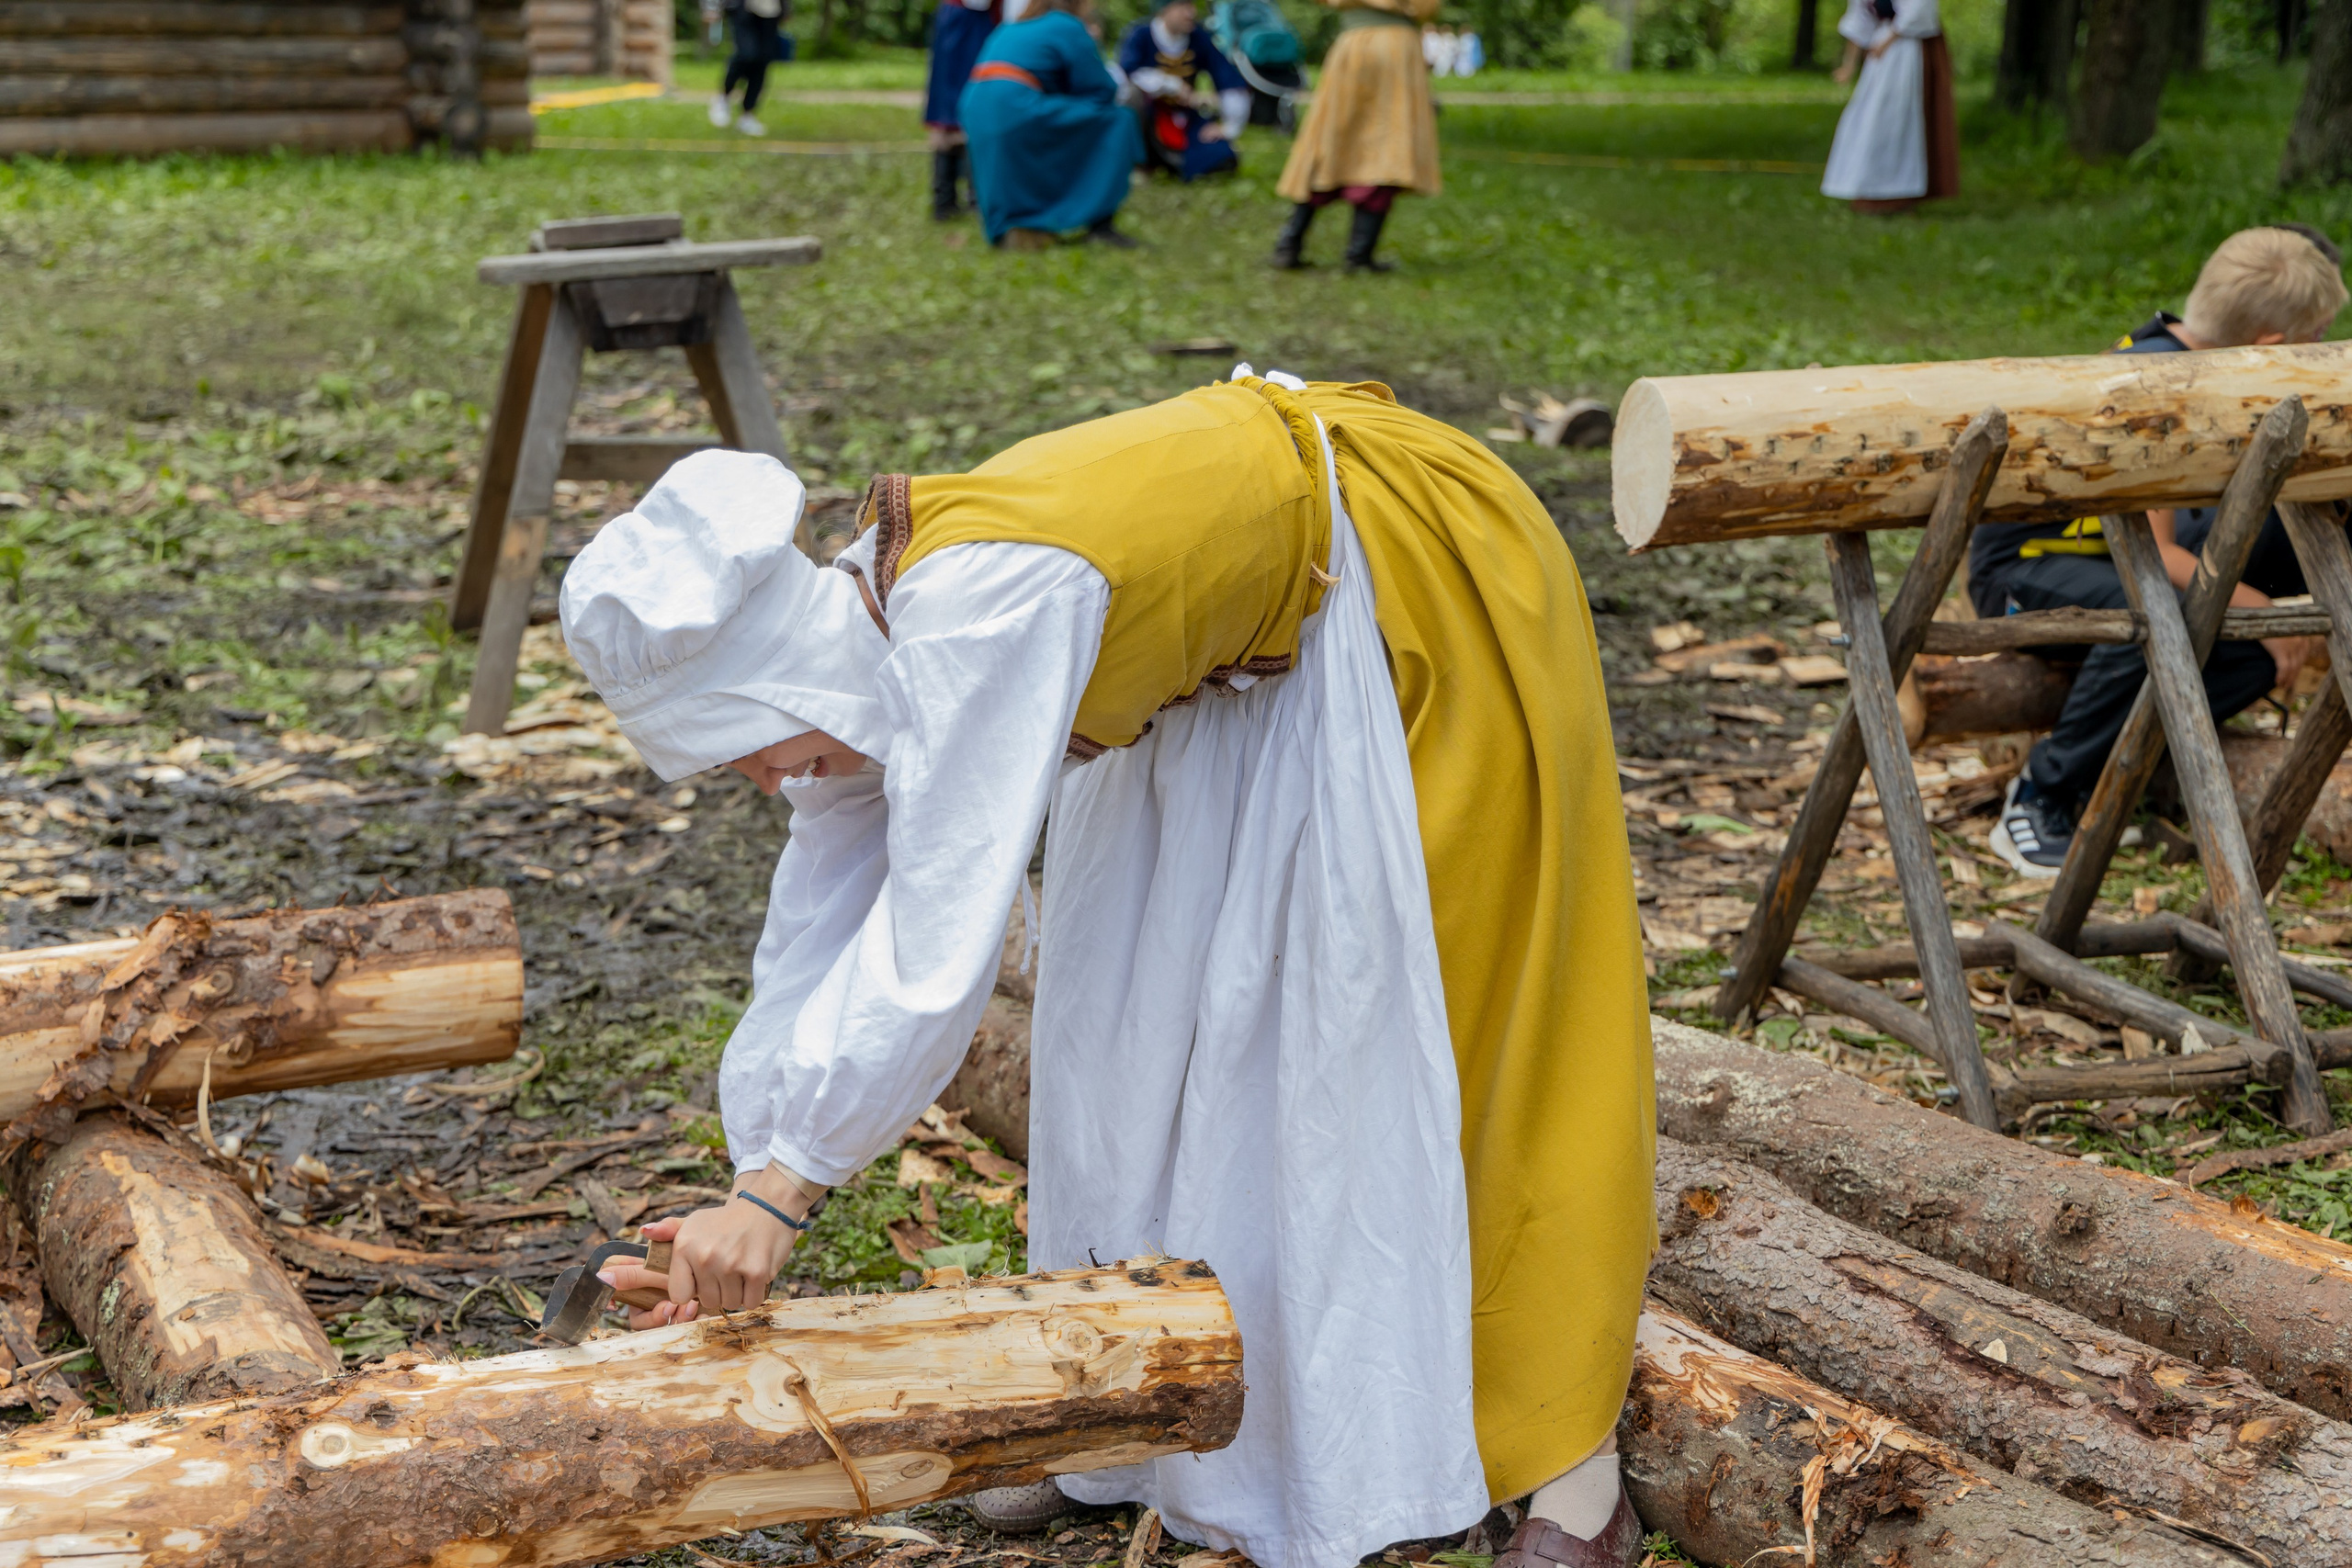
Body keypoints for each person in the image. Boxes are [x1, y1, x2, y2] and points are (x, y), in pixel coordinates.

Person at [566, 370, 1656, 1568]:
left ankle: (1576, 1480)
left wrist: (780, 1199)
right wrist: (749, 1179)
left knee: (1441, 1033)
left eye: (745, 753)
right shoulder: (866, 649)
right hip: (1230, 673)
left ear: (787, 678)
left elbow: (932, 950)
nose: (766, 783)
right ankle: (1140, 1412)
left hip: (1408, 585)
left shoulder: (972, 611)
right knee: (1135, 1032)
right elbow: (824, 919)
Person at [1977, 226, 2348, 876]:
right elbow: (2156, 557)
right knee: (2161, 621)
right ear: (2273, 345)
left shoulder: (2204, 355)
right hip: (2030, 569)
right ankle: (2043, 794)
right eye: (2317, 338)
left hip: (2125, 561)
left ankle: (2138, 755)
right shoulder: (2159, 382)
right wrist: (2255, 602)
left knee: (2250, 655)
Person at [1271, 0, 1441, 273]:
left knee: (1329, 139)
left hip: (1352, 47)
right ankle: (1358, 255)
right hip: (1395, 51)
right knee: (1387, 143)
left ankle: (1289, 244)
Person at [960, 0, 1144, 249]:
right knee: (1117, 119)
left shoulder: (1012, 26)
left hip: (975, 106)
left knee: (1059, 124)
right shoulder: (1066, 24)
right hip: (1016, 106)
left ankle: (1018, 226)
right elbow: (1101, 89)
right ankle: (1100, 225)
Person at [1819, 0, 1955, 215]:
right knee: (1870, 118)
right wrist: (1849, 64)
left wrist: (1890, 38)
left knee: (1900, 118)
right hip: (1882, 54)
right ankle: (1870, 189)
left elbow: (1919, 8)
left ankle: (1900, 193)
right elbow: (1859, 19)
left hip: (1911, 48)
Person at [1116, 0, 1250, 181]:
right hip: (1148, 120)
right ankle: (1138, 163)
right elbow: (1127, 74)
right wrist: (1172, 86)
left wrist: (1229, 127)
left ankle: (1172, 162)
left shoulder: (1198, 38)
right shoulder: (1141, 35)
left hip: (1185, 120)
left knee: (1222, 157)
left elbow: (1227, 77)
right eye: (1183, 6)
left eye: (1192, 6)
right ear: (1164, 9)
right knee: (1132, 96)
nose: (1191, 13)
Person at [924, 0, 1001, 220]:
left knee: (962, 110)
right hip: (966, 26)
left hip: (968, 23)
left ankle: (961, 197)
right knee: (959, 111)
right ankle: (955, 198)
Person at [707, 0, 794, 139]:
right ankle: (724, 97)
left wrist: (787, 8)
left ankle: (747, 114)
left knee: (762, 62)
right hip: (742, 8)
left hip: (771, 11)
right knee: (746, 55)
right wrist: (712, 7)